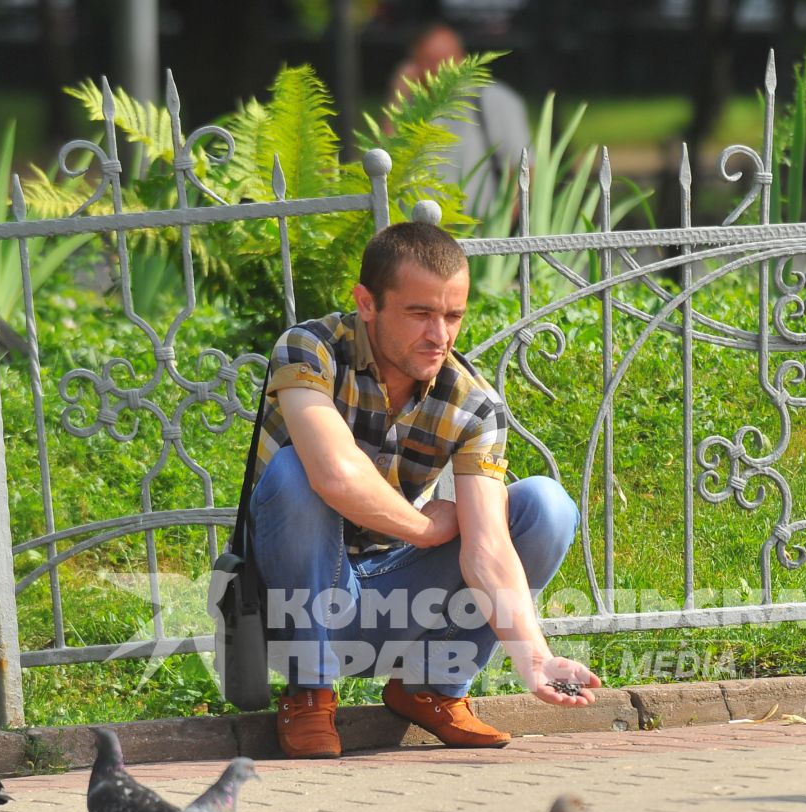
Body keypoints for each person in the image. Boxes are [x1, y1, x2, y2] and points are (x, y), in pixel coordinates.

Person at [249, 221, 599, 759]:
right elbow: (334, 474)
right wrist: (427, 527)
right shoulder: (309, 349)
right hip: (295, 602)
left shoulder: (472, 403)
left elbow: (487, 549)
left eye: (452, 315)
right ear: (367, 303)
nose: (440, 335)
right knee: (297, 471)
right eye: (420, 314)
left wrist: (534, 656)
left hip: (399, 595)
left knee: (545, 507)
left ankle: (431, 689)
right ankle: (310, 692)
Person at [390, 23, 532, 220]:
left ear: (463, 59)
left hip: (481, 234)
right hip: (420, 236)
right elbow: (385, 168)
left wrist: (500, 226)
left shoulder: (494, 100)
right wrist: (397, 99)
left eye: (445, 59)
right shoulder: (409, 108)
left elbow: (524, 168)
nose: (438, 68)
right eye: (428, 60)